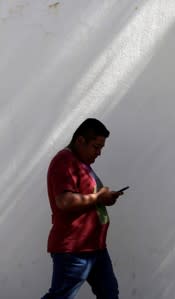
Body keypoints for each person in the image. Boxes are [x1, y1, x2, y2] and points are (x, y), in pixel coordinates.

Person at [42, 118, 122, 299]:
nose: (99, 153)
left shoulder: (81, 164)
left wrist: (105, 199)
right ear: (80, 140)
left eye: (101, 148)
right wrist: (98, 197)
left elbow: (89, 200)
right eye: (96, 147)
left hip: (95, 247)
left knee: (109, 294)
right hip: (75, 249)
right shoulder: (64, 160)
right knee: (60, 296)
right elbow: (64, 201)